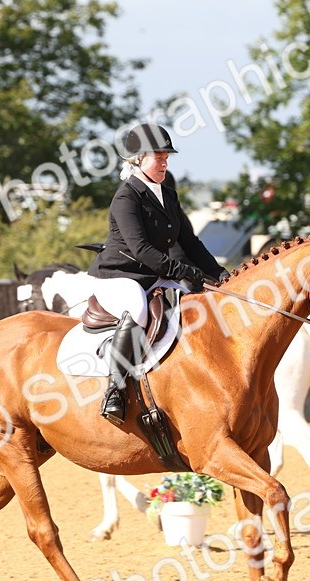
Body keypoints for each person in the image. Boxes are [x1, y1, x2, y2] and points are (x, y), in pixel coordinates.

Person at [88, 123, 228, 425]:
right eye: (158, 157)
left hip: (153, 275)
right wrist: (184, 271)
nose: (165, 162)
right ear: (137, 159)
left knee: (198, 302)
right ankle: (116, 389)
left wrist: (219, 274)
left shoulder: (167, 194)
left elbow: (190, 243)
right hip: (119, 276)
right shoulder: (126, 198)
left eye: (167, 157)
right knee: (138, 310)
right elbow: (140, 250)